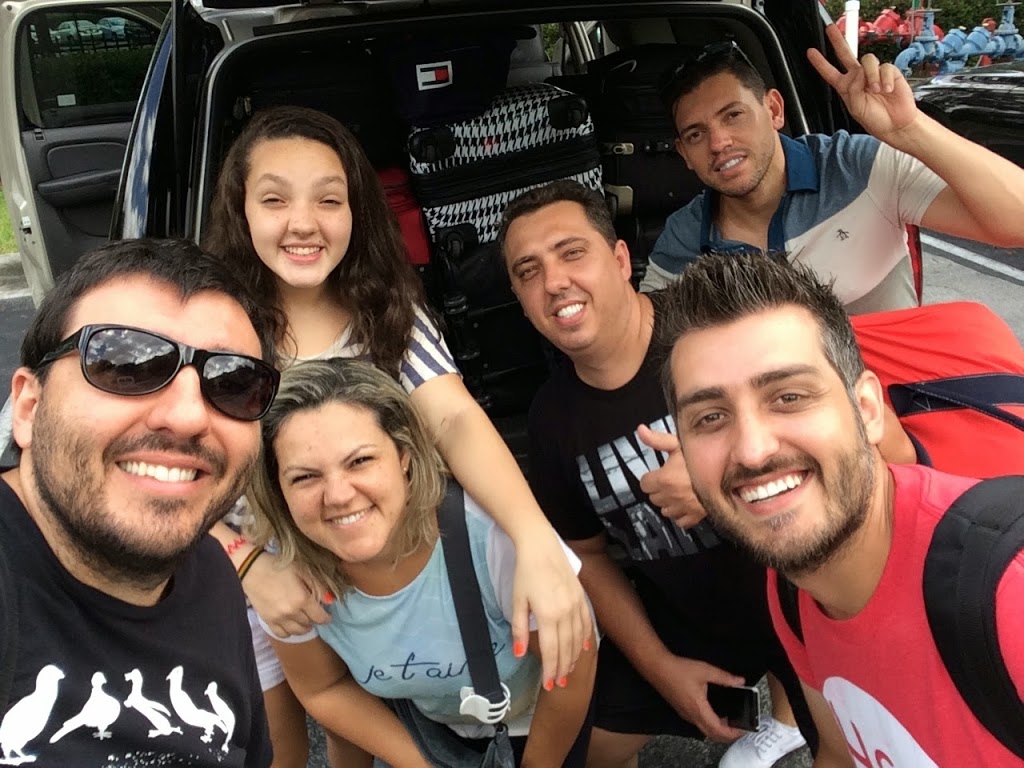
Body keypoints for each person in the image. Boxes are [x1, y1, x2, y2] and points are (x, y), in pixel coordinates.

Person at [202, 105, 591, 766]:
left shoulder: (383, 311)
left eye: (329, 199)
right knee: (282, 746)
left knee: (374, 709)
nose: (303, 222)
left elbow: (454, 418)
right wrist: (246, 564)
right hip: (262, 571)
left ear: (357, 211)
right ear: (240, 211)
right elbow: (171, 472)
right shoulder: (214, 333)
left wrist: (534, 540)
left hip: (369, 558)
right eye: (275, 199)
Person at [660, 250, 1024, 765]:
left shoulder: (1009, 596)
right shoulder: (795, 583)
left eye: (788, 397)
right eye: (710, 418)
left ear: (868, 410)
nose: (753, 450)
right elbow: (838, 752)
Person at [498, 180, 814, 768]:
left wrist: (718, 486)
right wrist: (661, 669)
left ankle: (790, 716)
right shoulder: (551, 418)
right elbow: (586, 554)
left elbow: (839, 452)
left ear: (621, 260)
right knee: (577, 750)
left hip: (805, 598)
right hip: (684, 621)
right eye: (528, 271)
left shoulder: (713, 328)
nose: (554, 282)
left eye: (572, 253)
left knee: (853, 741)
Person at [0, 239, 275, 766]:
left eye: (233, 382)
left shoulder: (212, 575)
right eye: (126, 365)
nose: (188, 417)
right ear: (29, 408)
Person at [246, 358, 597, 767]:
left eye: (360, 461)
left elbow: (574, 671)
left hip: (540, 721)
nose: (338, 495)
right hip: (429, 731)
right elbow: (322, 687)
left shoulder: (492, 538)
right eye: (305, 477)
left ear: (405, 456)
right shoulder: (285, 582)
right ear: (277, 488)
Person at [640, 23, 1024, 313]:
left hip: (894, 391)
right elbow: (646, 345)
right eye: (696, 134)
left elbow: (1017, 221)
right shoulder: (684, 239)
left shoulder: (857, 167)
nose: (718, 142)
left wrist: (910, 130)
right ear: (684, 153)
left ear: (774, 110)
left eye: (733, 115)